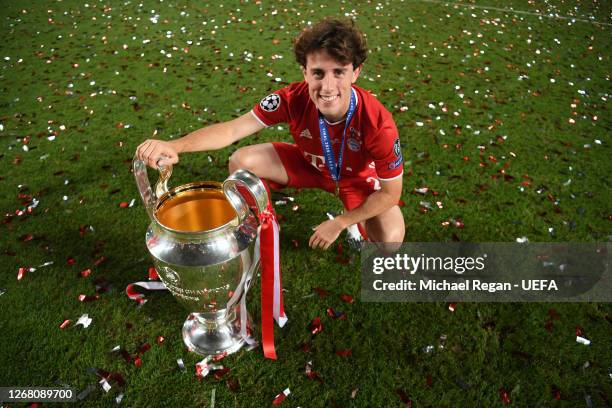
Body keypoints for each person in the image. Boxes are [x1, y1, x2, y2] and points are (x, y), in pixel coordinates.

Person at [136, 18, 405, 250]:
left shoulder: (377, 122)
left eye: (339, 73)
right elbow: (233, 129)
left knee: (390, 241)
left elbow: (391, 194)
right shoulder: (291, 98)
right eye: (318, 73)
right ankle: (259, 228)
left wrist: (340, 222)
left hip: (357, 180)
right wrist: (176, 145)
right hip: (310, 166)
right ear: (305, 72)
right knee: (241, 162)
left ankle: (352, 217)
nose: (327, 86)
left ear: (355, 72)